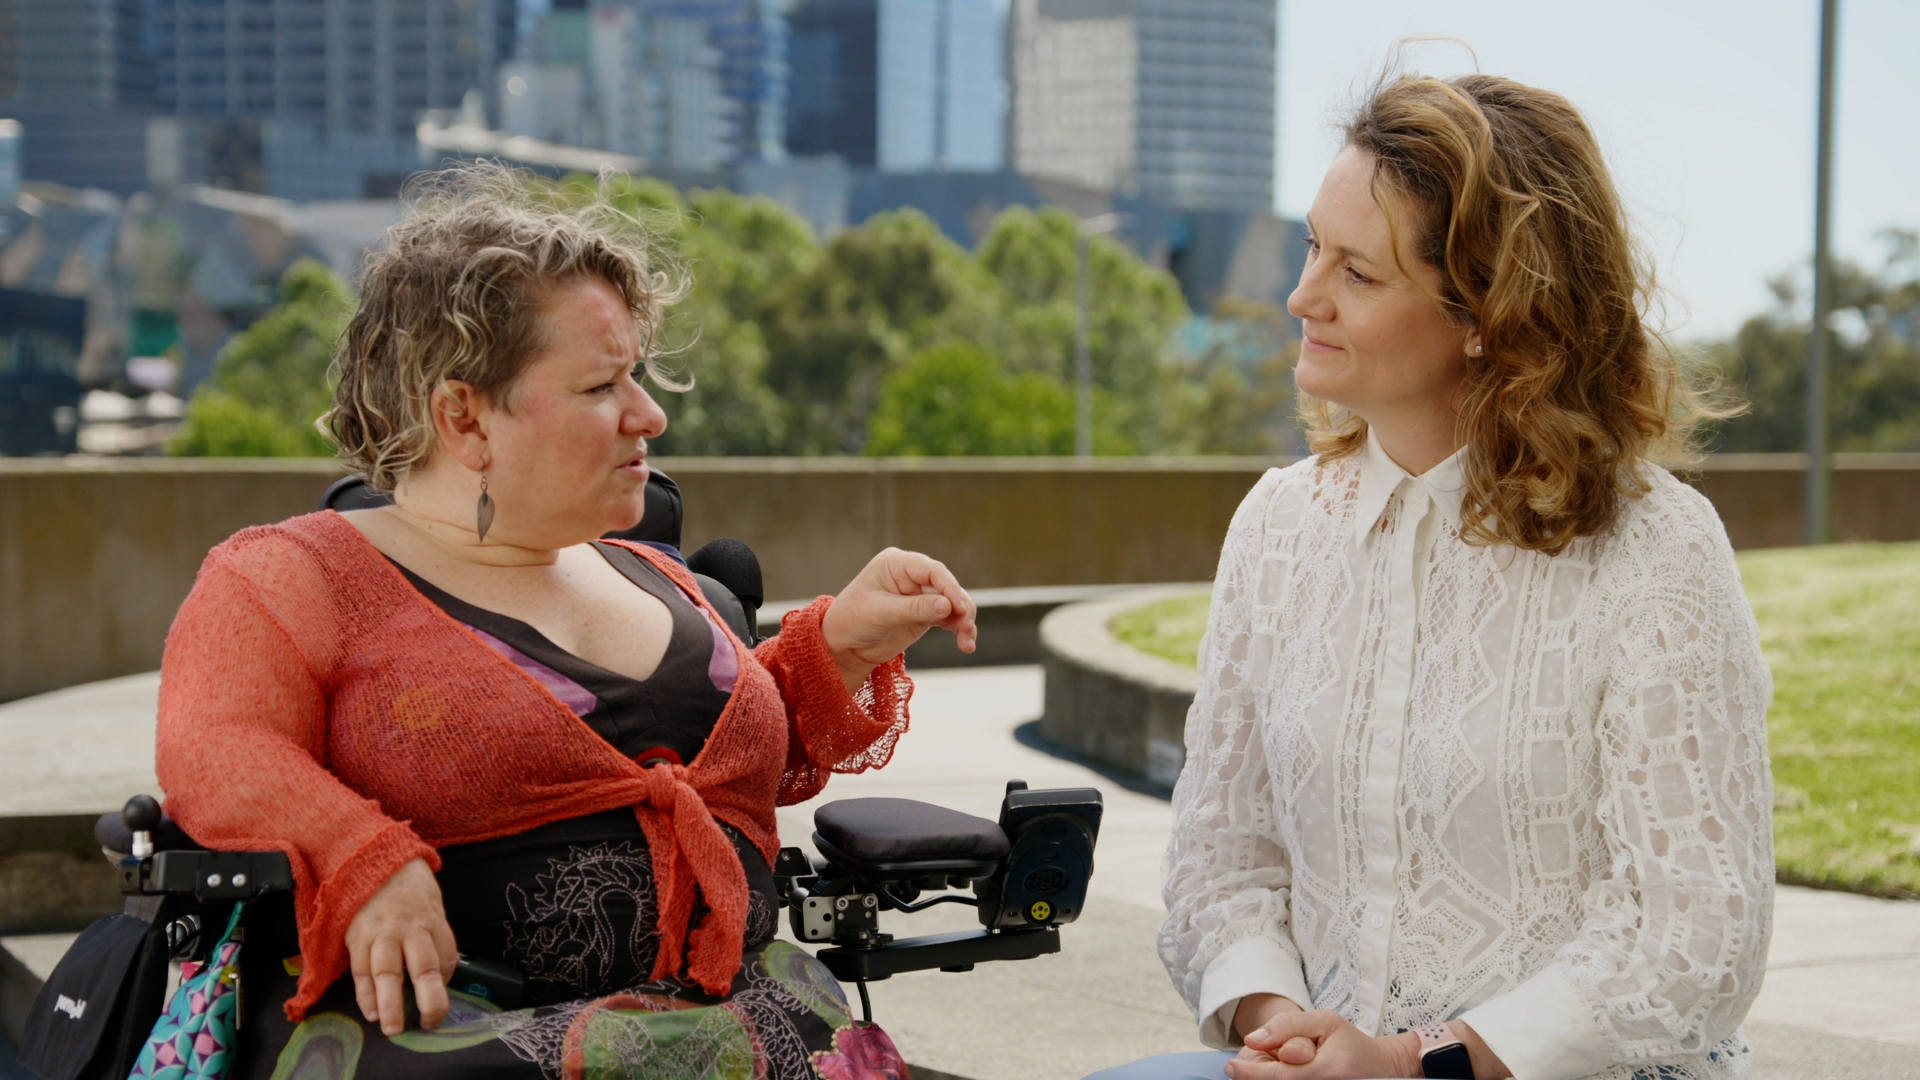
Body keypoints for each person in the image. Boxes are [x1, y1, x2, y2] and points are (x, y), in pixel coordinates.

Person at [154, 164, 977, 1080]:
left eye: (640, 376)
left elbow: (700, 772)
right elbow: (216, 749)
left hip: (759, 1027)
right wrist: (362, 857)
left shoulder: (658, 574)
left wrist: (837, 649)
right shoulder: (293, 576)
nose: (650, 413)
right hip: (472, 1047)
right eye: (601, 387)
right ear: (464, 415)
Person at [1095, 71, 1772, 1080]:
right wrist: (1286, 1030)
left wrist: (1422, 1063)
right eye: (1312, 247)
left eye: (1358, 275)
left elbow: (1695, 934)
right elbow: (1222, 863)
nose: (1301, 295)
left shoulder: (1656, 550)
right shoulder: (1276, 528)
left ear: (1489, 315)